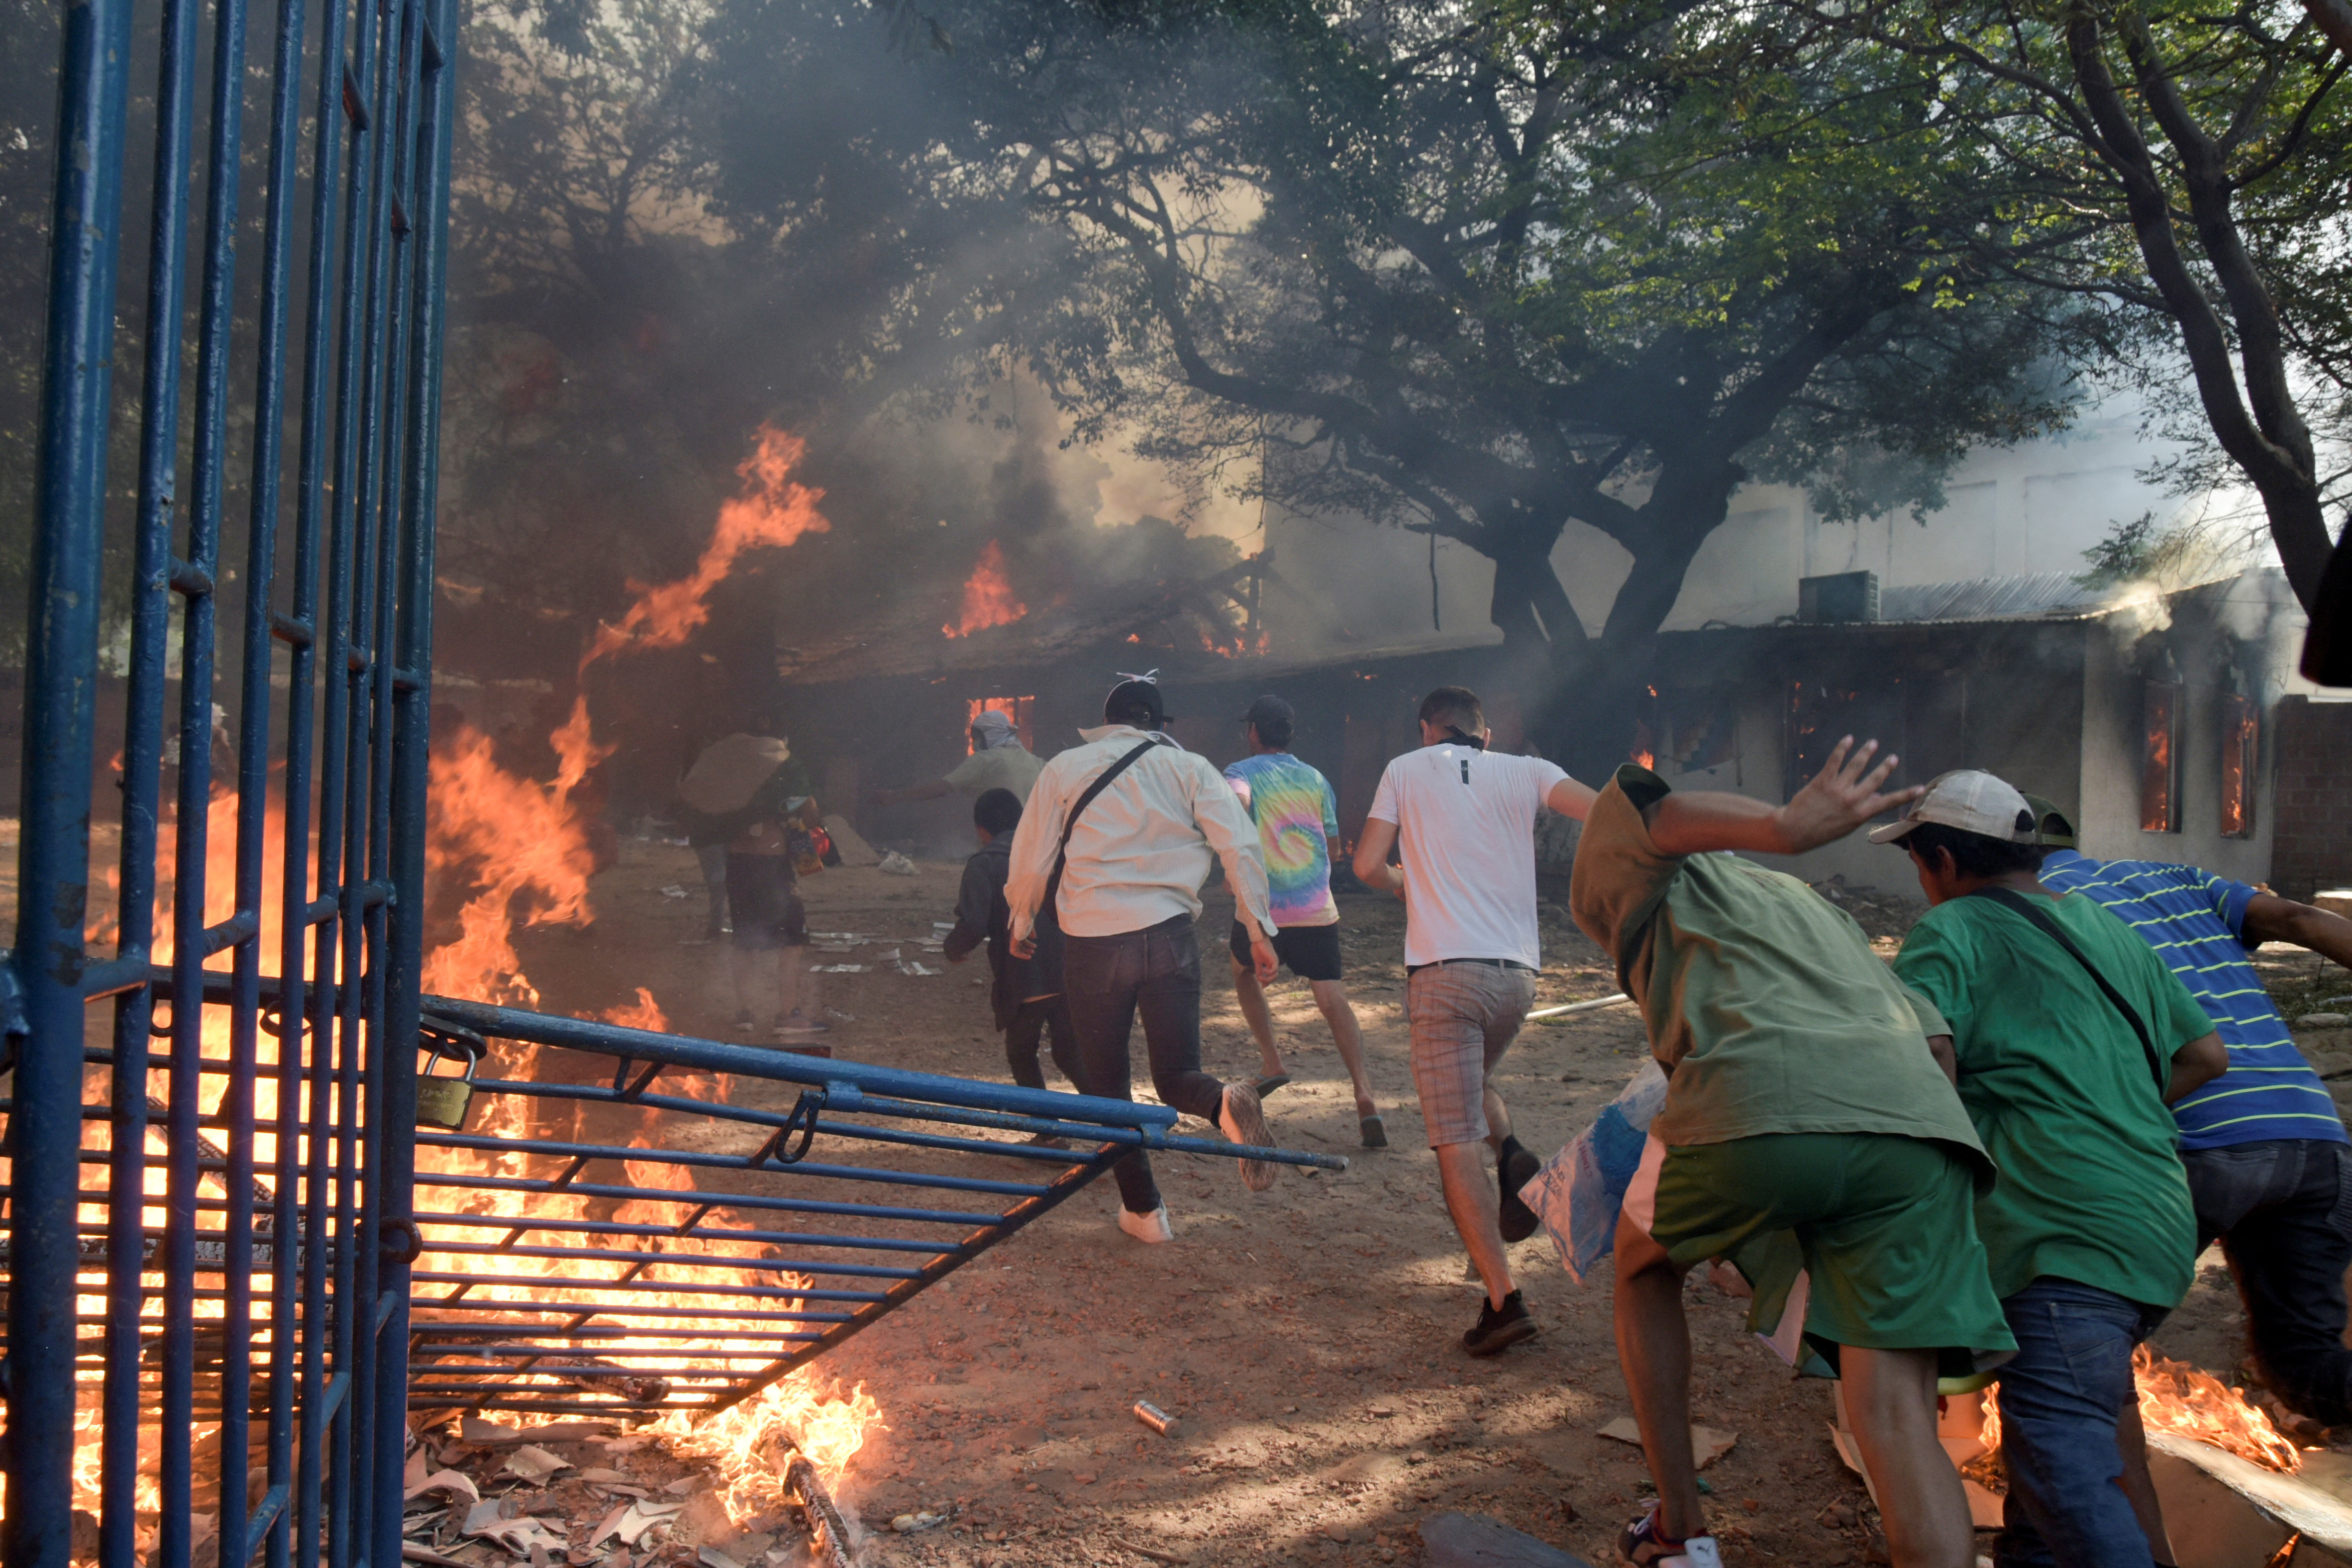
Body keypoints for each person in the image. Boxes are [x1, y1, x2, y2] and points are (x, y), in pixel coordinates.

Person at [1571, 742, 2013, 1568]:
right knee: (1893, 1412)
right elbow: (1934, 1042)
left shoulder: (1636, 881)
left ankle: (1679, 1527)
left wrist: (1784, 825)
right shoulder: (1808, 907)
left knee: (1640, 1265)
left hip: (1760, 1097)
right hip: (1920, 1127)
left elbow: (1653, 813)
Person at [1880, 772, 2228, 1568]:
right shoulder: (2106, 929)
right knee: (2045, 1485)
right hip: (2152, 1223)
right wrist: (2098, 1105)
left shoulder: (1952, 929)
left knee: (2063, 1467)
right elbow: (2204, 1055)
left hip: (2056, 1230)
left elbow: (1923, 1057)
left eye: (1915, 861)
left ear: (1937, 856)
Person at [2032, 800, 2352, 1429]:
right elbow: (2299, 918)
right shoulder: (2174, 877)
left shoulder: (2019, 913)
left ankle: (2073, 1502)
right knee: (2307, 1370)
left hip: (2201, 1142)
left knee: (2078, 1335)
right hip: (2317, 1137)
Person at [1351, 686, 1595, 1358]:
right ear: (1483, 736)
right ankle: (1513, 1155)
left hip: (1442, 976)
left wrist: (1406, 884)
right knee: (1472, 1081)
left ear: (1428, 729)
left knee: (1451, 1137)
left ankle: (1502, 1301)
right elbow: (1605, 813)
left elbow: (1366, 864)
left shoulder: (1404, 767)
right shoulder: (1528, 771)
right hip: (1516, 977)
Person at [1005, 676, 1283, 1244]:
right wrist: (1257, 927)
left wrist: (1021, 918)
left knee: (1108, 1088)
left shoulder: (1065, 766)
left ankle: (1146, 1213)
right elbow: (1239, 844)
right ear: (1161, 724)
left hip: (1093, 941)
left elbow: (1033, 853)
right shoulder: (1193, 769)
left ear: (1105, 722)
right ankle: (1224, 1101)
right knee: (1177, 1073)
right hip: (1170, 938)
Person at [1223, 694, 1385, 1147]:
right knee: (1332, 1000)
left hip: (1264, 909)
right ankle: (1364, 1093)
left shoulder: (1239, 772)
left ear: (1253, 731)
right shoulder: (1315, 778)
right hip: (1316, 908)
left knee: (1241, 973)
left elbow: (1235, 806)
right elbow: (1333, 847)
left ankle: (1273, 1061)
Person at [680, 717, 830, 1039]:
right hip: (772, 865)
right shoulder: (784, 767)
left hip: (738, 863)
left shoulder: (730, 771)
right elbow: (811, 814)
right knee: (791, 942)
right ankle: (787, 1015)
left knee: (745, 939)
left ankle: (744, 1013)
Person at [944, 786, 1083, 1105]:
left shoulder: (984, 862)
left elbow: (973, 924)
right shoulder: (1050, 853)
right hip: (1070, 970)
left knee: (1021, 1053)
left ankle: (1048, 1135)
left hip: (1026, 975)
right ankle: (1118, 1128)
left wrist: (953, 949)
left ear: (981, 830)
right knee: (1070, 1053)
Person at [871, 708, 1045, 806]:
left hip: (1002, 848)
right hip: (1034, 849)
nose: (974, 743)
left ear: (991, 735)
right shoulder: (1037, 763)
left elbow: (942, 788)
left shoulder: (985, 760)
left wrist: (894, 797)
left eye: (977, 737)